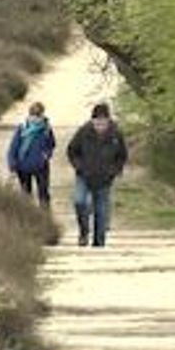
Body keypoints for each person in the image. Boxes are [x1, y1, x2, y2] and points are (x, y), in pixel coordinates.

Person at [67, 103, 127, 247]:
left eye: (103, 123)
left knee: (101, 211)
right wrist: (79, 166)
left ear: (108, 121)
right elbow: (72, 151)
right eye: (97, 123)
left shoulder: (116, 134)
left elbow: (122, 156)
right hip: (84, 176)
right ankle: (84, 232)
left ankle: (99, 242)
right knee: (80, 201)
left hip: (104, 178)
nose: (100, 126)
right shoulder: (83, 132)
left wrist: (114, 170)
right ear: (92, 121)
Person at [6, 102, 56, 208]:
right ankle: (29, 218)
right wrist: (12, 166)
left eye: (38, 115)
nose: (36, 118)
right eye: (33, 115)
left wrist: (46, 155)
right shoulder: (22, 128)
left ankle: (46, 218)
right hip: (23, 167)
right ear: (29, 115)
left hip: (41, 167)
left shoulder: (47, 129)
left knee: (44, 194)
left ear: (43, 114)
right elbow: (13, 148)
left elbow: (51, 144)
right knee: (26, 195)